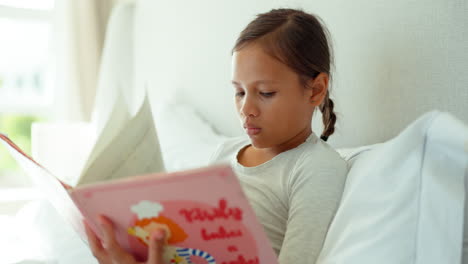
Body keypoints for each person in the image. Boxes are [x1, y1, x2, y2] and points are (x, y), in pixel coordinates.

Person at [84, 8, 348, 264]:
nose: (246, 110)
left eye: (266, 93)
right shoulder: (223, 156)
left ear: (315, 90)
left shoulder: (315, 167)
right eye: (239, 92)